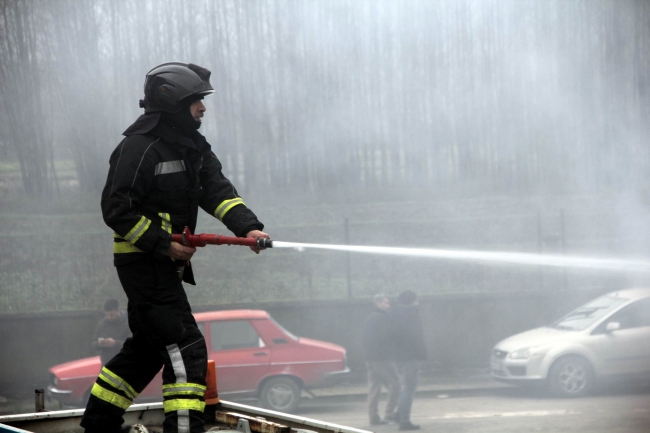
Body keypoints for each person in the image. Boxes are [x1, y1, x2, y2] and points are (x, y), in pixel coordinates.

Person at [81, 62, 269, 433]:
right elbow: (117, 209)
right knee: (186, 348)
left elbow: (218, 191)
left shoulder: (193, 147)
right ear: (173, 103)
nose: (203, 108)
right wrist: (163, 244)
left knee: (148, 350)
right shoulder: (138, 148)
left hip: (163, 268)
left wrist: (248, 227)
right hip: (143, 265)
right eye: (196, 100)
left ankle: (99, 424)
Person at [363, 294, 400, 426]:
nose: (388, 305)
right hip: (382, 358)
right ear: (378, 304)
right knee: (395, 384)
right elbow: (387, 337)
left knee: (374, 388)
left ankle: (373, 417)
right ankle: (389, 415)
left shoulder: (370, 318)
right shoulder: (383, 318)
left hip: (370, 357)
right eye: (386, 303)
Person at [392, 290, 427, 431]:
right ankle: (404, 420)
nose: (417, 302)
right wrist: (421, 354)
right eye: (416, 300)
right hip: (411, 356)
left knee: (406, 385)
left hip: (399, 356)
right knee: (409, 387)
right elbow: (416, 337)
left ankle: (398, 413)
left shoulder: (394, 313)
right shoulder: (411, 314)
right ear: (410, 301)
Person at [92, 299, 131, 366]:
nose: (109, 317)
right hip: (107, 364)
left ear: (118, 310)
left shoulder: (129, 323)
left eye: (112, 315)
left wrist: (115, 343)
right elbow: (93, 344)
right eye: (107, 315)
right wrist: (99, 344)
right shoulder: (102, 324)